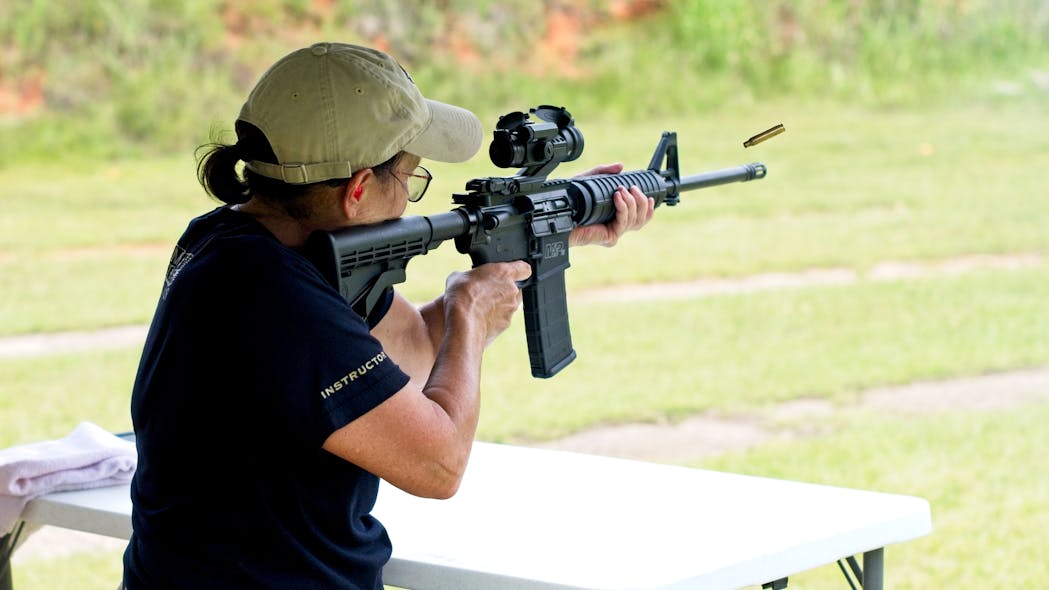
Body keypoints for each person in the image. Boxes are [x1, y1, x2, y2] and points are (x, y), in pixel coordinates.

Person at [121, 42, 653, 589]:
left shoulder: (232, 243)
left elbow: (416, 346)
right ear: (357, 191)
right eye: (409, 178)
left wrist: (533, 239)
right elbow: (438, 465)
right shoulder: (275, 296)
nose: (409, 200)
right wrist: (470, 315)